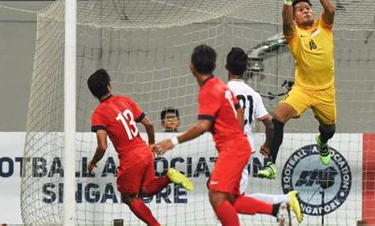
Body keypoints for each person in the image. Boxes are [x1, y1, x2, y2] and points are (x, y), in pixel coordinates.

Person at [152, 45, 293, 226]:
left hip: (233, 148)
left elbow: (203, 125)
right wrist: (238, 133)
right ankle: (277, 208)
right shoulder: (220, 86)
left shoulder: (210, 90)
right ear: (214, 65)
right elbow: (239, 109)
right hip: (239, 145)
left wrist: (172, 141)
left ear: (191, 67)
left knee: (216, 195)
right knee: (230, 199)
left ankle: (277, 208)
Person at [258, 0, 337, 180]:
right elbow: (285, 22)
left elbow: (330, 9)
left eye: (307, 8)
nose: (305, 11)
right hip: (303, 89)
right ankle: (271, 164)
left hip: (326, 91)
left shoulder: (324, 26)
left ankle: (322, 142)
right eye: (300, 10)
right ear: (294, 17)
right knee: (279, 115)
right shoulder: (293, 34)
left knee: (329, 129)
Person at [86, 69, 194, 226]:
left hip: (130, 157)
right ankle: (168, 177)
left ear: (94, 94)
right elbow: (148, 123)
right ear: (109, 86)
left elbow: (102, 146)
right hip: (144, 150)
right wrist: (151, 145)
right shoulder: (125, 100)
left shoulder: (98, 114)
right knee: (145, 190)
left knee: (128, 197)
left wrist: (93, 162)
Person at [226, 47, 303, 223]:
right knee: (231, 198)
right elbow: (269, 124)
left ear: (226, 67)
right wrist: (268, 145)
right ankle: (282, 202)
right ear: (246, 69)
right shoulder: (253, 94)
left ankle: (283, 201)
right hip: (245, 148)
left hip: (232, 150)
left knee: (228, 201)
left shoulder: (223, 91)